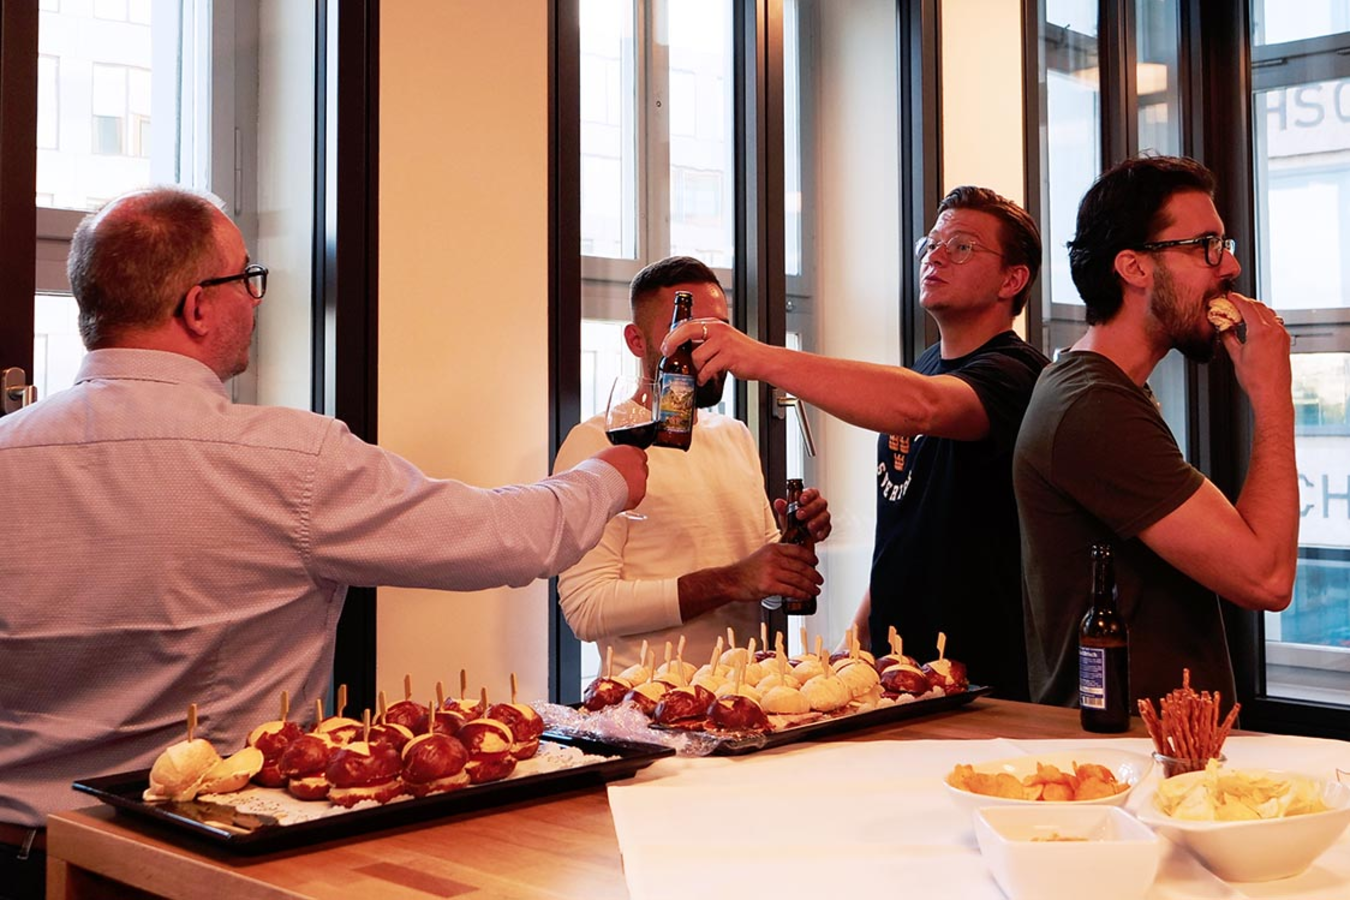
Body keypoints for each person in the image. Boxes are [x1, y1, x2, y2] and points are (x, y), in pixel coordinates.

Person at [0, 186, 647, 899]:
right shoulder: (290, 460)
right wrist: (607, 477)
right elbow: (508, 538)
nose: (256, 300)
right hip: (191, 867)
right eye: (248, 278)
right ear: (196, 307)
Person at [662, 187, 1047, 698]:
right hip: (899, 668)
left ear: (1012, 279)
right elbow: (905, 532)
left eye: (961, 246)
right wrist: (856, 640)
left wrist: (758, 356)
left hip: (980, 676)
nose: (935, 256)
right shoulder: (925, 367)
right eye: (931, 243)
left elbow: (923, 406)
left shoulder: (1018, 374)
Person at [1015, 155, 1297, 712]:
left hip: (1153, 745)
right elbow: (1266, 577)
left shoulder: (1107, 391)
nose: (1230, 265)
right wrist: (1273, 398)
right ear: (1134, 267)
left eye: (1223, 244)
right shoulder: (1092, 406)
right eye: (1205, 246)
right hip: (1126, 749)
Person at [553, 256, 830, 670]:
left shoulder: (735, 435)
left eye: (718, 330)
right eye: (686, 331)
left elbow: (763, 592)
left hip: (746, 694)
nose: (707, 346)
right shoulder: (595, 442)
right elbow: (586, 609)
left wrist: (790, 551)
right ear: (636, 341)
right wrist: (732, 580)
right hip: (648, 700)